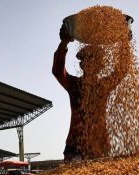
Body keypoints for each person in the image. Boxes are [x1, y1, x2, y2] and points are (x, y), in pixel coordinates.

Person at [52, 24, 130, 162]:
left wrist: (124, 44)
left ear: (101, 65)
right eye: (86, 60)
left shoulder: (103, 85)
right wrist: (64, 42)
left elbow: (121, 70)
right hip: (75, 146)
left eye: (95, 60)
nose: (90, 64)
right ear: (82, 65)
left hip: (100, 146)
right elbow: (58, 71)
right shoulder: (74, 85)